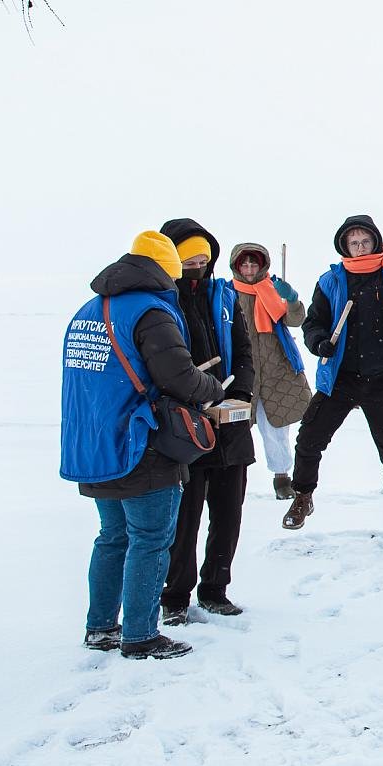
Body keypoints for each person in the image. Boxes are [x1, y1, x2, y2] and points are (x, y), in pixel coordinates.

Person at [61, 231, 226, 660]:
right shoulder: (151, 313)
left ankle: (100, 628)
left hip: (95, 444)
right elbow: (179, 378)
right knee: (151, 539)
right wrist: (212, 387)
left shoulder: (89, 310)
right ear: (166, 274)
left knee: (112, 536)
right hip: (141, 443)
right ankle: (140, 636)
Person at [283, 202, 383, 552]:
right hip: (341, 378)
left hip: (382, 379)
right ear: (344, 247)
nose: (360, 247)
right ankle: (302, 496)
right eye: (353, 242)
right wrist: (318, 343)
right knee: (310, 437)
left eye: (365, 240)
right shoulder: (331, 281)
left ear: (375, 242)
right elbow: (313, 323)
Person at [155, 220, 257, 623]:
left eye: (203, 258)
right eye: (189, 260)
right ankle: (175, 596)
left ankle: (215, 588)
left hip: (230, 423)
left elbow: (245, 351)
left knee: (229, 512)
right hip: (185, 425)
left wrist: (242, 394)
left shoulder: (225, 296)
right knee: (185, 517)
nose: (198, 265)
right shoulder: (163, 303)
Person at [227, 243, 312, 500]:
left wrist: (293, 299)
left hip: (277, 371)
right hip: (240, 371)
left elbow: (295, 320)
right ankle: (226, 477)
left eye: (254, 264)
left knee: (275, 427)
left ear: (263, 265)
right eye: (245, 264)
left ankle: (281, 476)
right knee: (232, 427)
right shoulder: (227, 293)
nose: (250, 269)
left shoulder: (273, 290)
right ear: (236, 266)